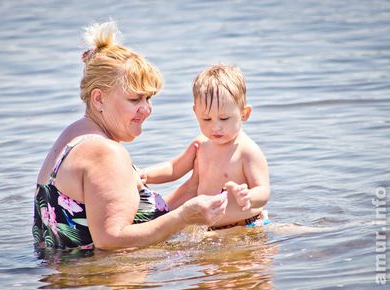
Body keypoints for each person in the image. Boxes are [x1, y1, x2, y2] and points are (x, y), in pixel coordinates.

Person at [32, 21, 241, 250]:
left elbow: (124, 216)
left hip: (63, 281)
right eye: (135, 100)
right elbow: (111, 238)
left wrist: (192, 187)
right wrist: (184, 217)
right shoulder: (104, 152)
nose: (147, 109)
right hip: (106, 280)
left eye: (148, 99)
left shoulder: (72, 136)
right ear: (99, 99)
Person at [140, 64, 270, 231]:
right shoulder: (200, 145)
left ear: (244, 114)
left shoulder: (246, 151)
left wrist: (249, 197)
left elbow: (263, 191)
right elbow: (174, 168)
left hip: (246, 225)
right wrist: (146, 175)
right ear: (196, 113)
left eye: (224, 118)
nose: (215, 127)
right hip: (210, 228)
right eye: (207, 119)